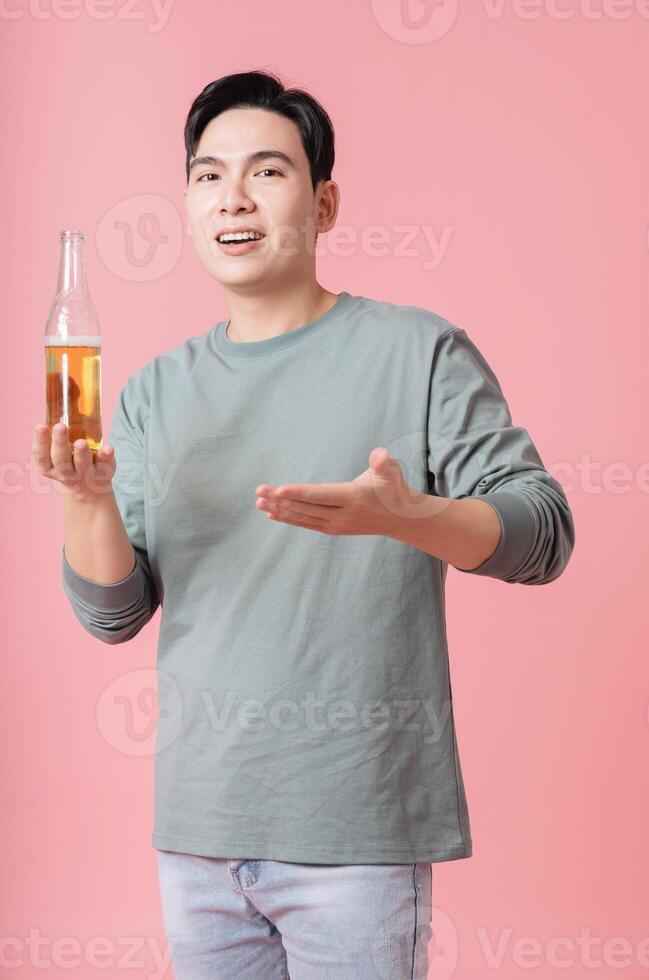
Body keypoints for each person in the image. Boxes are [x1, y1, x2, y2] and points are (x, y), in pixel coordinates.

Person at [32, 69, 575, 980]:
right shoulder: (152, 393)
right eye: (208, 176)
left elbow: (543, 533)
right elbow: (113, 613)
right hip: (198, 837)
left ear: (323, 204)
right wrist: (84, 500)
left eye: (266, 172)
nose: (232, 198)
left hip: (355, 834)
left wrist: (412, 517)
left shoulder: (416, 349)